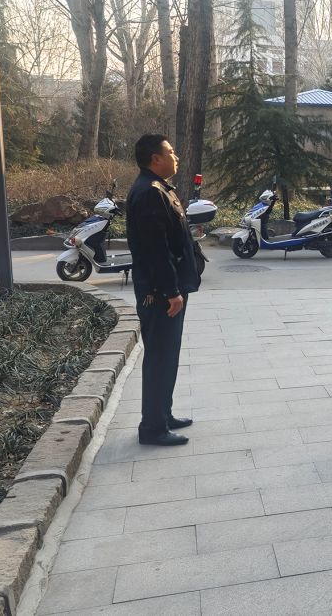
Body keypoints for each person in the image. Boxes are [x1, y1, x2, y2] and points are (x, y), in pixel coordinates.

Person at [126, 134, 201, 446]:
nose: (176, 157)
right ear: (155, 159)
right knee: (159, 357)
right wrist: (170, 291)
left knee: (167, 355)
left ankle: (162, 415)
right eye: (171, 152)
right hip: (159, 293)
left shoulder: (158, 188)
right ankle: (153, 428)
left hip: (167, 289)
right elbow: (156, 250)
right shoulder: (149, 193)